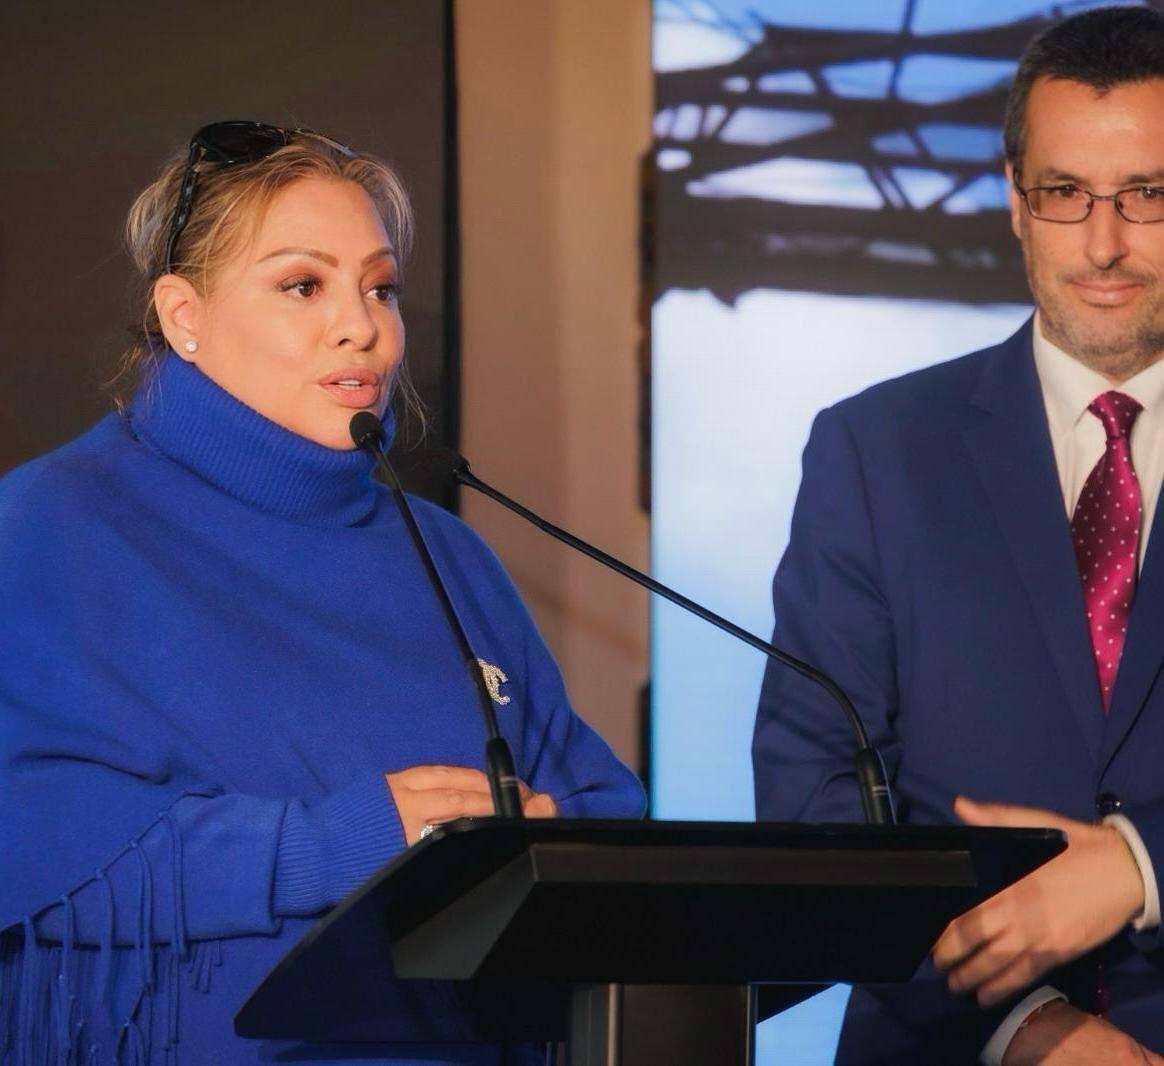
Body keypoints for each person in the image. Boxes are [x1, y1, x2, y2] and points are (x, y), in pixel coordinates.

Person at [0, 121, 644, 1065]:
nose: (363, 326)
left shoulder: (450, 558)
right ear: (183, 316)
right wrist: (338, 841)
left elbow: (603, 816)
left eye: (379, 287)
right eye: (304, 285)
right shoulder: (41, 530)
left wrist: (537, 852)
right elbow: (29, 836)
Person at [753, 7, 1164, 1065]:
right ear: (1016, 204)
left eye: (1149, 195)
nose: (1106, 243)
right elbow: (813, 811)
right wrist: (1022, 1022)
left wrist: (1138, 863)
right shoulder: (873, 451)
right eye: (1066, 195)